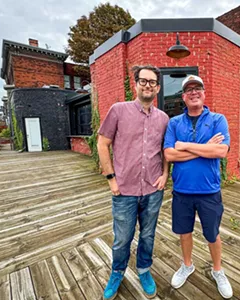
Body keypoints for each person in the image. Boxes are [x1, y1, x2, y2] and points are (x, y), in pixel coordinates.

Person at [98, 65, 169, 300]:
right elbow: (102, 143)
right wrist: (111, 179)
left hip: (152, 189)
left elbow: (165, 151)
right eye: (143, 80)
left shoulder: (163, 119)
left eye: (152, 82)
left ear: (157, 87)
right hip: (124, 191)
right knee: (122, 239)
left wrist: (165, 174)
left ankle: (144, 270)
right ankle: (117, 272)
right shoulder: (118, 110)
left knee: (148, 235)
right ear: (136, 84)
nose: (147, 84)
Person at [163, 75, 233, 299]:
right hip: (182, 191)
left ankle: (218, 270)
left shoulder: (217, 119)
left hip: (209, 191)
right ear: (183, 96)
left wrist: (184, 146)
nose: (193, 92)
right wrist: (204, 147)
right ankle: (187, 265)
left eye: (198, 88)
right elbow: (169, 154)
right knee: (184, 233)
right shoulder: (174, 123)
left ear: (204, 93)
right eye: (188, 90)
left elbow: (221, 151)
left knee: (212, 234)